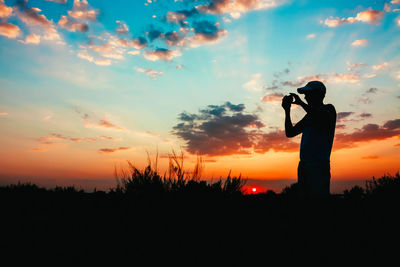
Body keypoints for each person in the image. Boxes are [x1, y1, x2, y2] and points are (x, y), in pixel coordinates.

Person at [281, 81, 336, 197]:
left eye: (308, 93)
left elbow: (319, 117)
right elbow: (290, 133)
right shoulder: (309, 116)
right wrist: (287, 110)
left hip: (319, 166)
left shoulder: (329, 110)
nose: (305, 97)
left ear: (318, 94)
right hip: (304, 166)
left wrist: (300, 103)